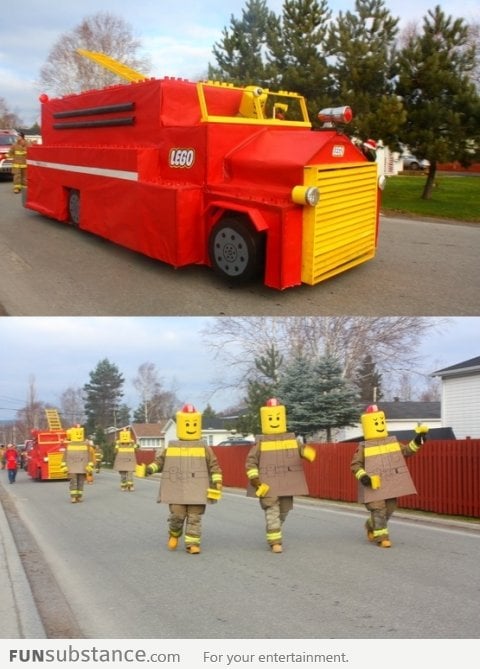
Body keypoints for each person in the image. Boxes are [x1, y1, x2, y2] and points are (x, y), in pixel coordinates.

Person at [146, 404, 222, 554]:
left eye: (194, 424)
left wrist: (217, 481)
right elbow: (160, 462)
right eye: (188, 424)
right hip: (177, 489)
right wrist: (150, 469)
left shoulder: (204, 447)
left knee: (195, 517)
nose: (191, 427)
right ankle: (174, 534)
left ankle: (192, 544)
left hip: (197, 489)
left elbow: (214, 465)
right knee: (177, 516)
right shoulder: (172, 446)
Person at [351, 404, 428, 548]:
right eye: (376, 423)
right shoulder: (364, 446)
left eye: (381, 422)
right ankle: (382, 538)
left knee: (390, 508)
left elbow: (406, 451)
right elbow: (355, 465)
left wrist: (418, 440)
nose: (379, 425)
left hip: (390, 484)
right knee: (379, 509)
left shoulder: (391, 442)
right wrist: (364, 477)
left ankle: (370, 524)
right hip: (372, 485)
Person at [245, 398, 316, 553]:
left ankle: (274, 529)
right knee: (272, 512)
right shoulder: (261, 443)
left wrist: (306, 453)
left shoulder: (291, 440)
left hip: (285, 485)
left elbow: (301, 449)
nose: (275, 421)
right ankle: (275, 542)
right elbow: (251, 462)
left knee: (282, 512)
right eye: (271, 418)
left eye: (277, 417)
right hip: (267, 486)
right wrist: (255, 480)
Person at [63, 425, 94, 503]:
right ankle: (73, 497)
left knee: (80, 481)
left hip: (82, 467)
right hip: (72, 467)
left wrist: (90, 465)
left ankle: (79, 497)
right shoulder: (69, 445)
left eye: (80, 433)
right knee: (73, 481)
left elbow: (89, 456)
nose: (78, 436)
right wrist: (64, 466)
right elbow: (65, 456)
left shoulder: (86, 445)